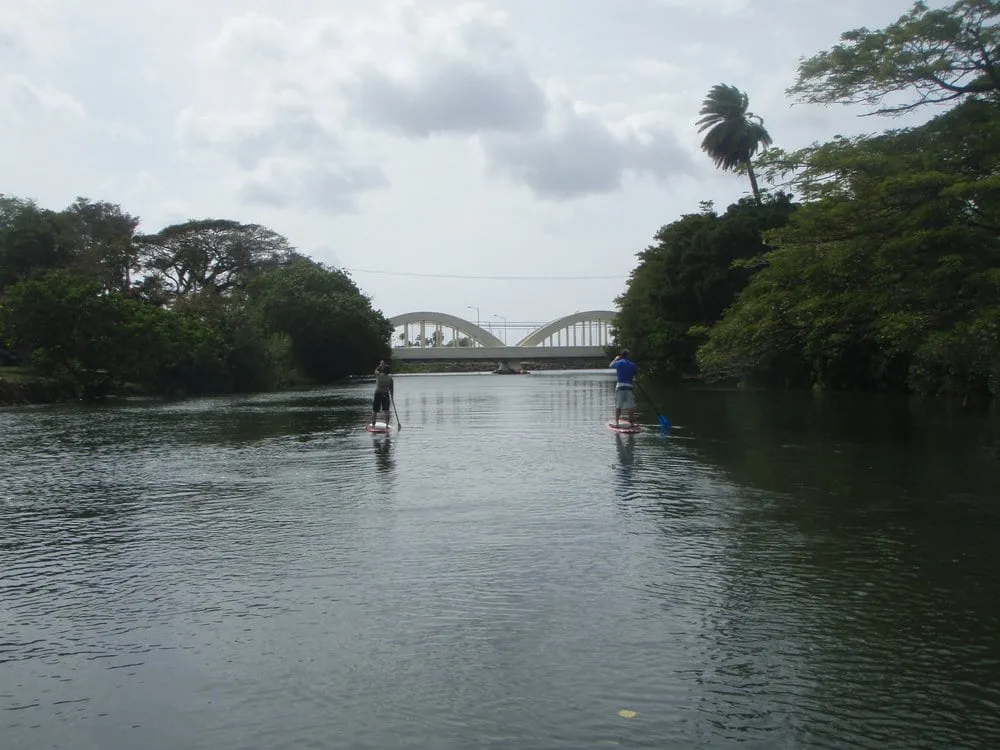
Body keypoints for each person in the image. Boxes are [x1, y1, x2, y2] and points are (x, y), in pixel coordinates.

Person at [609, 349, 638, 427]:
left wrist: (615, 359)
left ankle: (617, 422)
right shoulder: (632, 364)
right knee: (630, 405)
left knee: (618, 405)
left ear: (621, 356)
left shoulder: (618, 363)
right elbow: (635, 372)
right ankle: (631, 422)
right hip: (629, 387)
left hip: (620, 387)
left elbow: (611, 365)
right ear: (628, 356)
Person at [371, 361, 394, 426]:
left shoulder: (379, 375)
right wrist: (392, 396)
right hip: (385, 394)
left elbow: (375, 370)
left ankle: (373, 424)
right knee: (386, 410)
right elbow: (391, 389)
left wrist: (380, 365)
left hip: (378, 393)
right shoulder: (390, 379)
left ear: (382, 370)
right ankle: (387, 425)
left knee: (375, 410)